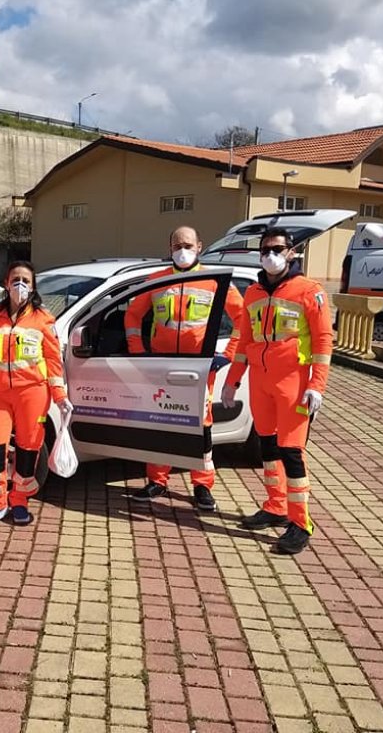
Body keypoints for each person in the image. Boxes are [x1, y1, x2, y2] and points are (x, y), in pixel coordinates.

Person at [221, 227, 333, 554]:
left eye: (278, 249)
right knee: (267, 447)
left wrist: (317, 385)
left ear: (291, 252)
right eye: (265, 249)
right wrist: (233, 381)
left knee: (291, 451)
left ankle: (300, 523)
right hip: (261, 381)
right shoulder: (254, 293)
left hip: (294, 383)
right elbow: (244, 341)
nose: (271, 254)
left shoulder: (309, 291)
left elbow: (324, 341)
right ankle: (275, 506)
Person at [124, 225, 244, 510]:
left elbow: (243, 318)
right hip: (161, 365)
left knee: (199, 428)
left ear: (199, 246)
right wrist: (139, 352)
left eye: (188, 245)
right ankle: (157, 480)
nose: (183, 251)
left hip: (199, 367)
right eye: (177, 245)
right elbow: (132, 315)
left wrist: (228, 353)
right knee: (161, 424)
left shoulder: (214, 281)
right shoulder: (156, 280)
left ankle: (202, 485)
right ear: (170, 248)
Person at [0, 261, 73, 528]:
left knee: (28, 448)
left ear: (33, 286)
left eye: (26, 280)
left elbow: (53, 360)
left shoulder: (43, 319)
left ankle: (19, 501)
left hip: (33, 393)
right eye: (15, 279)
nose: (20, 284)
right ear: (6, 283)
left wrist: (60, 395)